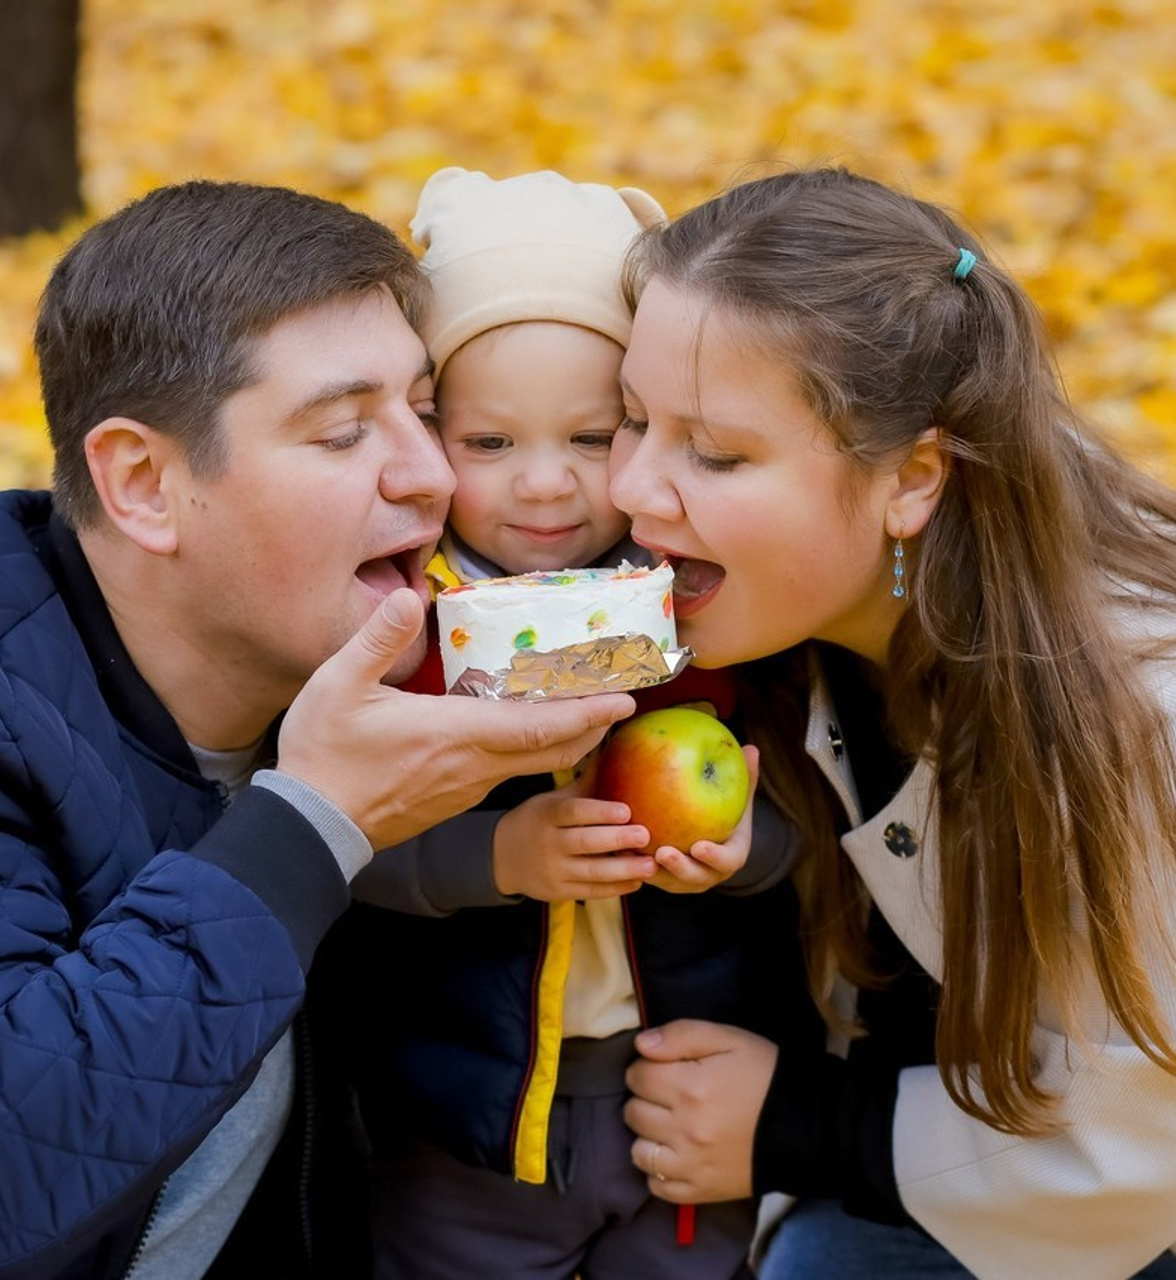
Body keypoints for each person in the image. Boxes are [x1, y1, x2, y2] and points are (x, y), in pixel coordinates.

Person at [0, 179, 638, 1280]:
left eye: (427, 414)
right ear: (143, 483)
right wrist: (310, 821)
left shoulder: (379, 674)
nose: (431, 474)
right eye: (342, 432)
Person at [608, 164, 1176, 1280]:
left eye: (713, 453)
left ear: (913, 476)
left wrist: (800, 1125)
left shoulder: (1136, 724)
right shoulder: (799, 604)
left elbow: (1149, 1136)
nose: (631, 486)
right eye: (629, 419)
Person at [341, 168, 823, 1280]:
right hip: (467, 1121)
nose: (547, 486)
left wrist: (749, 855)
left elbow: (808, 807)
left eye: (596, 436)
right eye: (490, 443)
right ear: (424, 434)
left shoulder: (706, 603)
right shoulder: (396, 619)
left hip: (682, 1100)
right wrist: (494, 853)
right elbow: (336, 829)